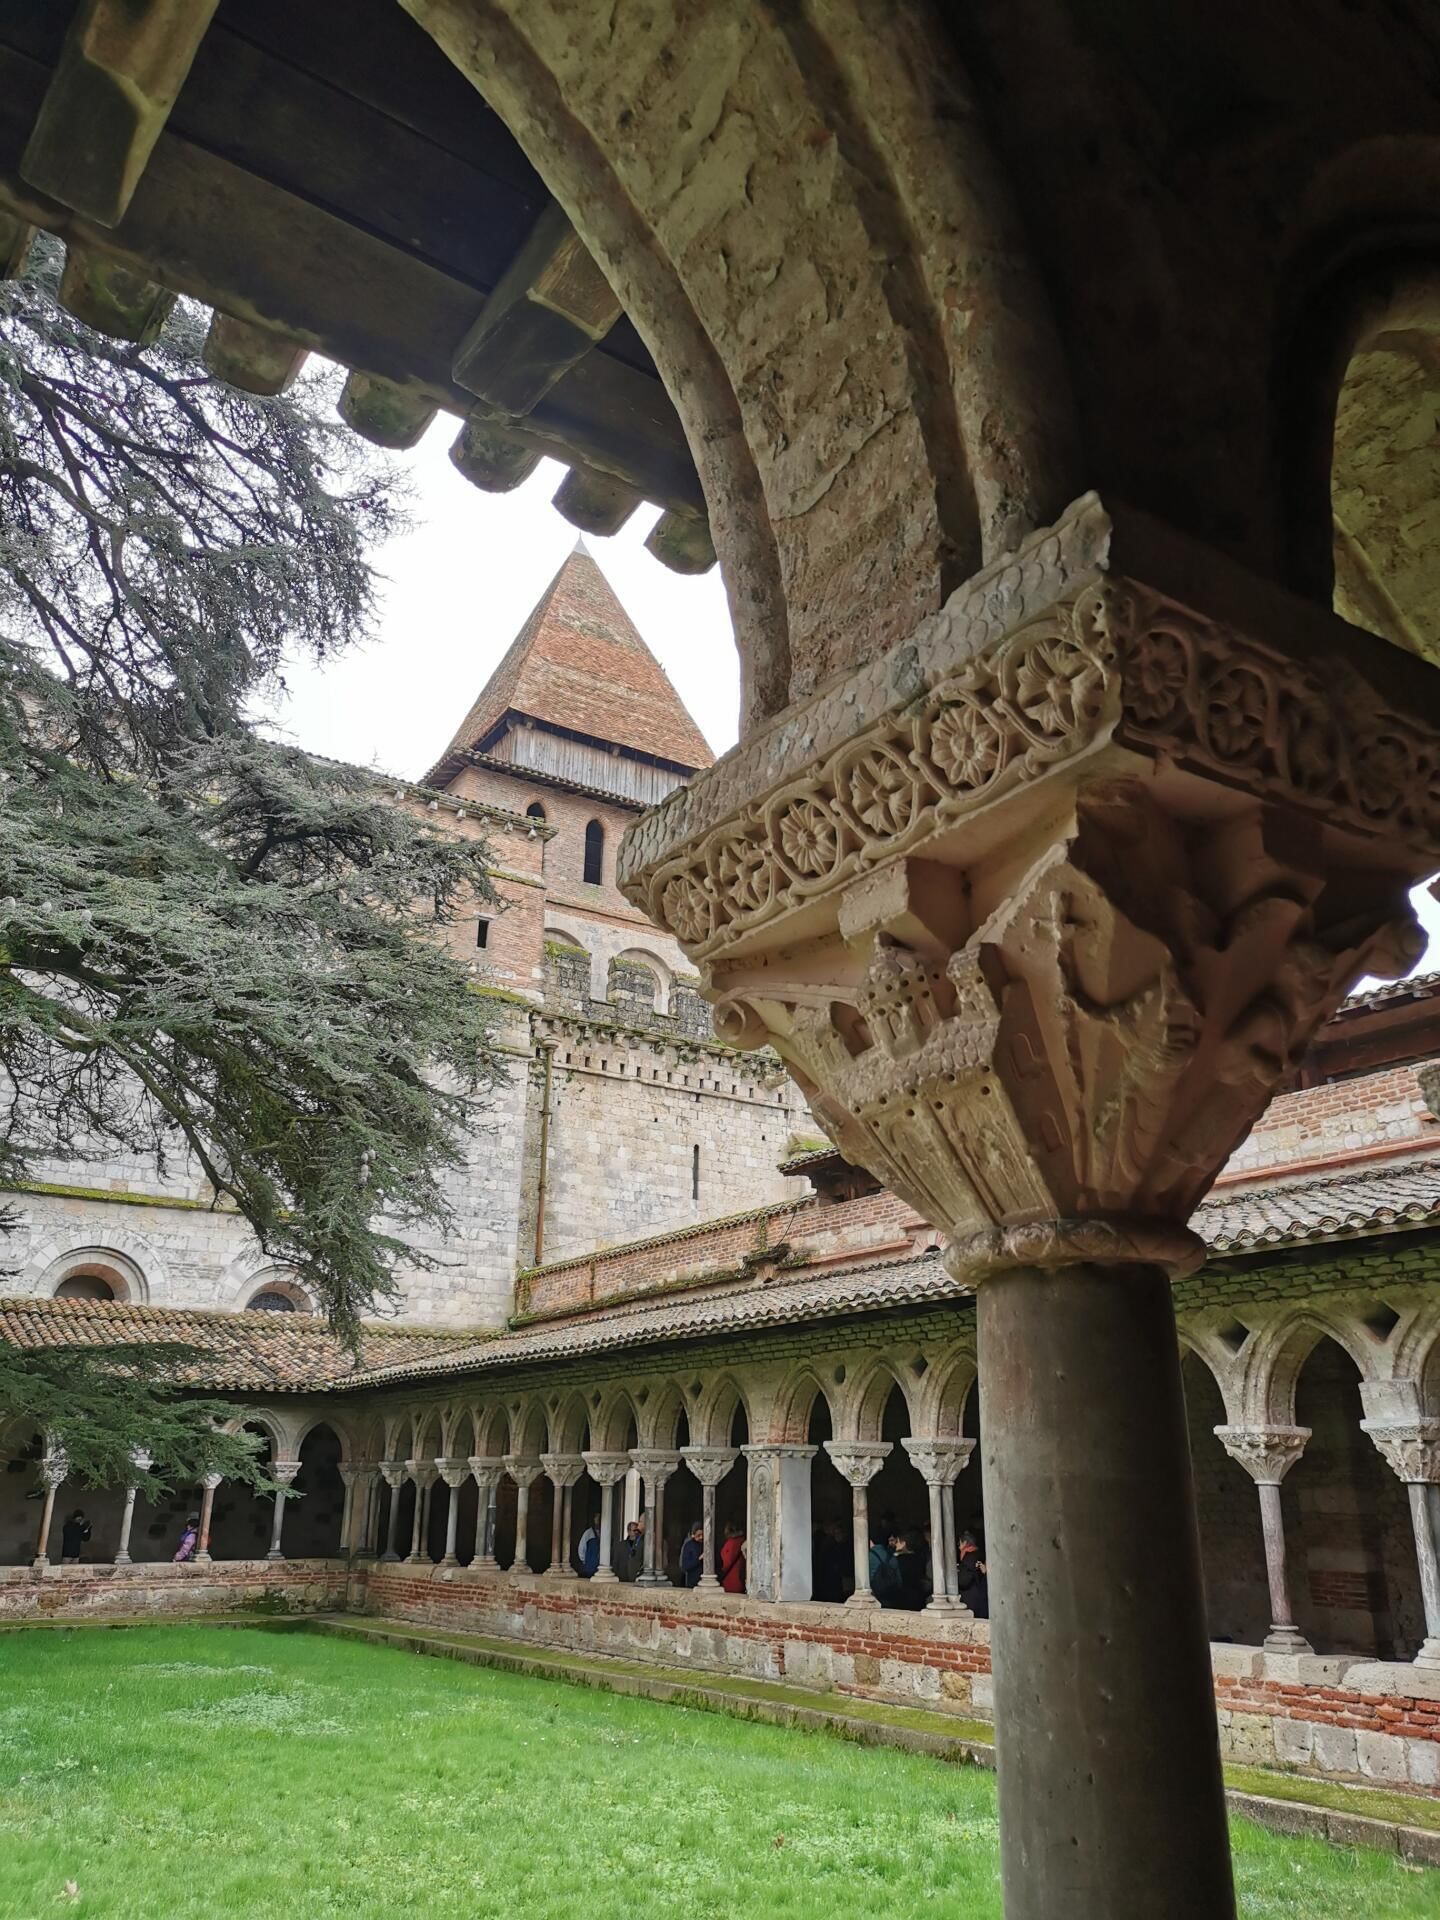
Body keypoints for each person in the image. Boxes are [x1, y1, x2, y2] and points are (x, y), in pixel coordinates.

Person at [955, 1529, 988, 1619]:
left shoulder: (969, 1557)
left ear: (965, 1542)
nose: (958, 1547)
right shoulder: (980, 1554)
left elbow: (964, 1581)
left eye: (960, 1544)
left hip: (972, 1598)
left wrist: (958, 1572)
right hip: (981, 1596)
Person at [868, 1527, 902, 1607]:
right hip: (890, 1594)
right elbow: (899, 1579)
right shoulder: (892, 1556)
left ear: (871, 1541)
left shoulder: (868, 1556)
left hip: (874, 1593)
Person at [898, 1528, 929, 1611]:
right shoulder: (921, 1558)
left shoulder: (899, 1560)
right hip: (918, 1595)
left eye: (898, 1542)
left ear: (903, 1543)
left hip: (903, 1596)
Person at [719, 1522, 746, 1594]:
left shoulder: (732, 1542)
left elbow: (728, 1561)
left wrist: (720, 1572)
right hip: (740, 1574)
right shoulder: (742, 1540)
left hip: (732, 1577)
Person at [678, 1520, 705, 1588]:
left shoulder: (706, 1545)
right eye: (698, 1535)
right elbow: (685, 1566)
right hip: (692, 1582)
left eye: (703, 1535)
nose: (701, 1538)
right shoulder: (688, 1545)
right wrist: (699, 1559)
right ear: (693, 1534)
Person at [618, 1517, 645, 1581]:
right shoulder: (621, 1545)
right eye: (634, 1531)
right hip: (622, 1578)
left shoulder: (641, 1543)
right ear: (628, 1531)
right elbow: (616, 1561)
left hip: (636, 1578)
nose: (636, 1532)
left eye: (637, 1531)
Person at [577, 1513, 601, 1578]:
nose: (598, 1520)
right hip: (590, 1568)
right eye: (596, 1518)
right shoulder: (588, 1533)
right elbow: (581, 1549)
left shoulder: (605, 1533)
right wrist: (586, 1561)